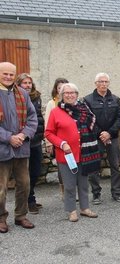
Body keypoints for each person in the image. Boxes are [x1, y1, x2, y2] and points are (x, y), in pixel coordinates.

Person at [45, 83, 99, 222]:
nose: (69, 95)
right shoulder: (56, 112)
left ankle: (85, 208)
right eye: (66, 93)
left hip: (84, 153)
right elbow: (49, 133)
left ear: (77, 94)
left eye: (72, 92)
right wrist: (62, 144)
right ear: (62, 96)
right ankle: (71, 210)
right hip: (66, 155)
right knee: (69, 185)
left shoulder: (84, 109)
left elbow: (93, 127)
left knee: (83, 183)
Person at [0, 62, 38, 233]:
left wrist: (23, 135)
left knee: (24, 184)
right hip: (2, 149)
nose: (8, 77)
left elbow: (32, 118)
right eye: (4, 74)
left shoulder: (22, 93)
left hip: (21, 148)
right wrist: (9, 138)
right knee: (1, 188)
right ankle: (1, 218)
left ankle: (21, 215)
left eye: (11, 74)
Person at [84, 73, 120, 204]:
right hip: (96, 138)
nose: (103, 84)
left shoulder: (115, 99)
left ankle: (116, 193)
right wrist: (101, 134)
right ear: (95, 83)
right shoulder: (88, 100)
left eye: (106, 81)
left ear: (109, 83)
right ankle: (96, 194)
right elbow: (88, 120)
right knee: (94, 167)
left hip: (113, 137)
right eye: (100, 81)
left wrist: (109, 133)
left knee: (115, 166)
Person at [14, 73, 45, 214]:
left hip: (36, 141)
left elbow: (38, 118)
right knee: (23, 174)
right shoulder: (14, 97)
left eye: (29, 83)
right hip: (22, 141)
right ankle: (28, 201)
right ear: (19, 84)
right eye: (24, 83)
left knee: (36, 171)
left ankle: (29, 197)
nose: (27, 85)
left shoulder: (36, 97)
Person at [44, 77, 68, 198]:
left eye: (64, 88)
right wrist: (48, 143)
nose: (62, 90)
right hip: (57, 141)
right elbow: (47, 123)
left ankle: (72, 190)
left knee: (75, 166)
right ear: (56, 89)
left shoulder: (74, 102)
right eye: (60, 88)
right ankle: (64, 190)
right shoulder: (51, 104)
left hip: (71, 141)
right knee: (61, 168)